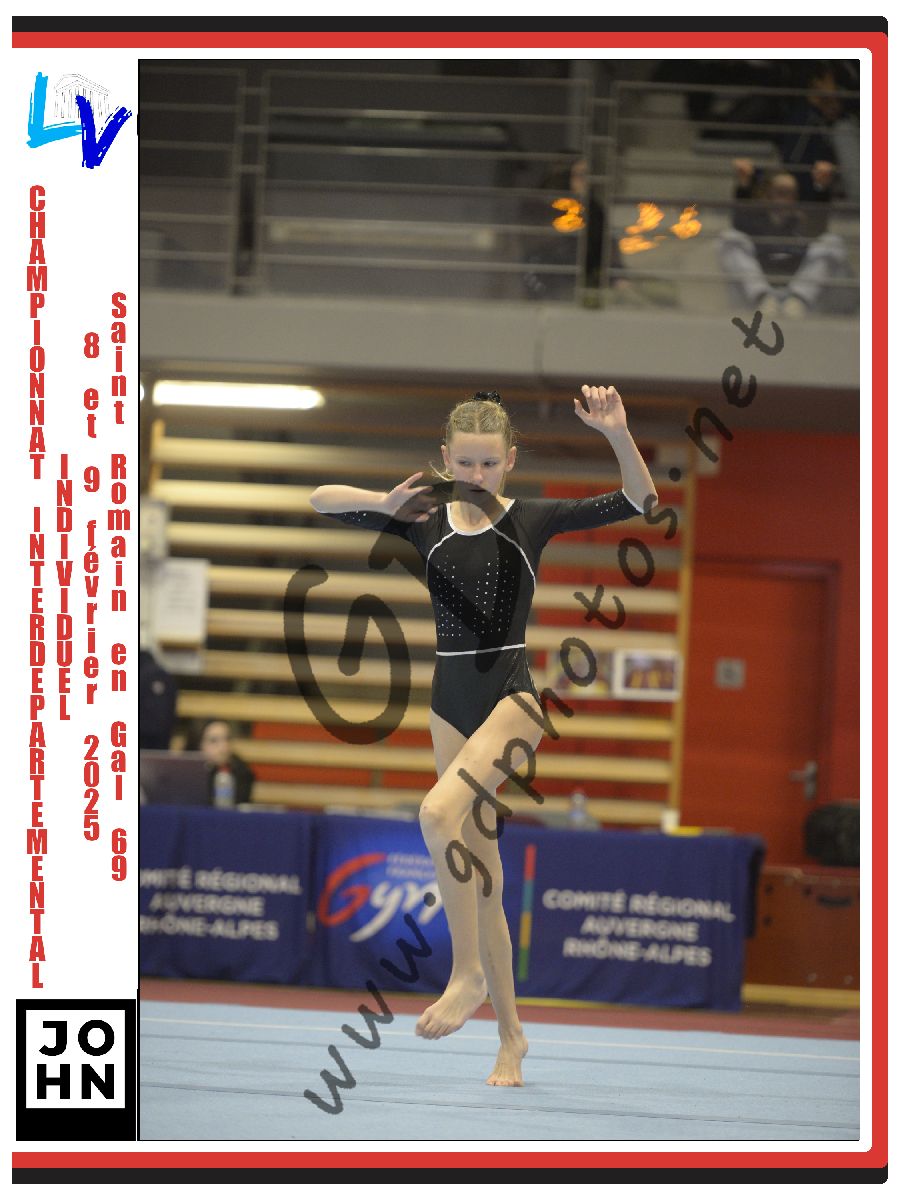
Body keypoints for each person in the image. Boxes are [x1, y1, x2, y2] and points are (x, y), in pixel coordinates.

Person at [310, 387, 657, 1086]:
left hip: (512, 700)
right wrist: (384, 503)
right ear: (445, 458)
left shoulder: (530, 520)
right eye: (465, 463)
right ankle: (512, 1039)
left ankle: (465, 973)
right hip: (449, 705)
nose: (476, 475)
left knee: (437, 813)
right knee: (486, 879)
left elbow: (639, 501)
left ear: (510, 461)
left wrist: (618, 434)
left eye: (489, 464)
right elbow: (320, 499)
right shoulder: (423, 521)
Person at [718, 164, 849, 317]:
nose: (786, 198)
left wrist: (821, 187)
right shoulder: (755, 220)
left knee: (831, 242)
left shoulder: (801, 220)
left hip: (796, 292)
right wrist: (744, 185)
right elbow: (739, 222)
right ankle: (763, 298)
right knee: (729, 238)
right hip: (761, 292)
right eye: (780, 192)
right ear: (768, 194)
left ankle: (799, 300)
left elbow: (819, 224)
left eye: (791, 193)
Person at [185, 718, 256, 808]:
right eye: (213, 741)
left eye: (227, 739)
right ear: (198, 744)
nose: (223, 747)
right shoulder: (187, 774)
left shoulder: (242, 772)